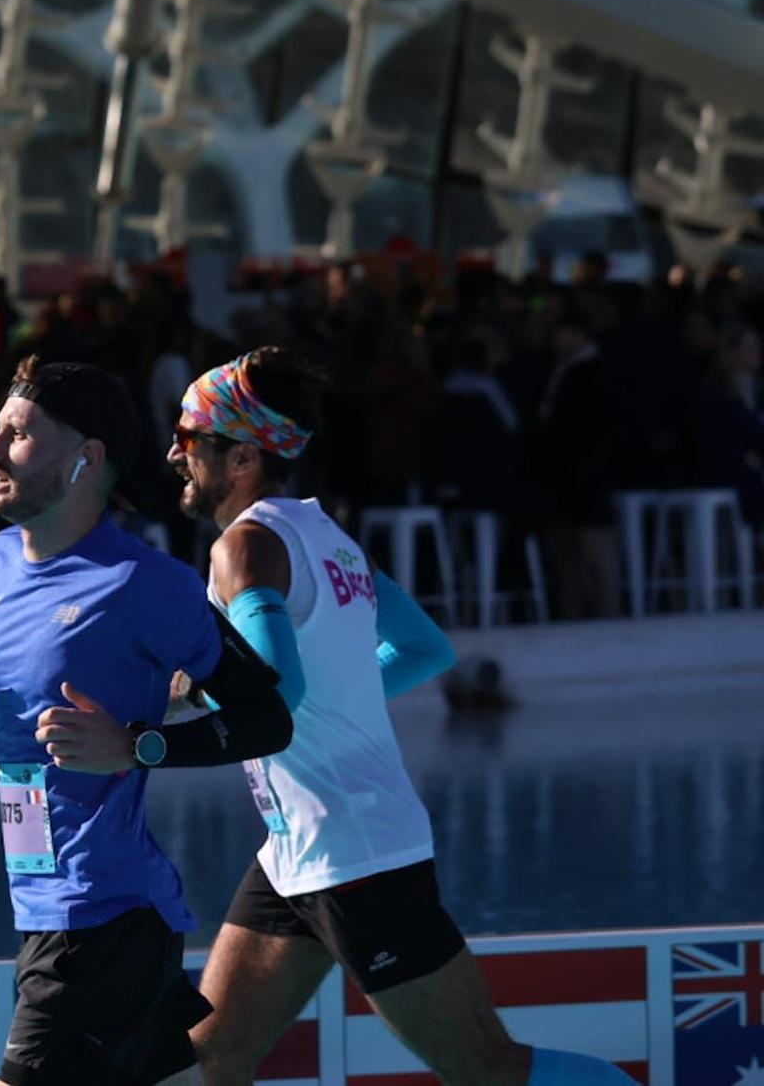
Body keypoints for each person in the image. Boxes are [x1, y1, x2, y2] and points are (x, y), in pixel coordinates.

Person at [167, 348, 634, 1086]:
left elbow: (275, 695)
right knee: (204, 1061)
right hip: (300, 849)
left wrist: (182, 701)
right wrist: (336, 699)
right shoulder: (330, 539)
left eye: (190, 439)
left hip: (353, 855)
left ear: (244, 456)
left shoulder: (245, 544)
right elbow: (424, 647)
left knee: (485, 1067)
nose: (175, 453)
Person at [0, 356, 293, 1086]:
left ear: (87, 459)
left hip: (103, 917)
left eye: (17, 435)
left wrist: (138, 745)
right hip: (47, 908)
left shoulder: (148, 585)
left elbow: (266, 718)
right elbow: (43, 727)